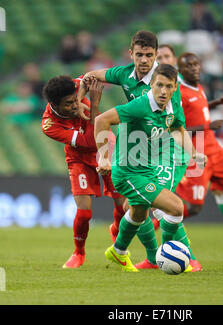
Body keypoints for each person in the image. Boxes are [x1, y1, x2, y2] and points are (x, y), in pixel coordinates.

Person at [80, 31, 202, 271]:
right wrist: (103, 157)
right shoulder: (139, 100)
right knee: (174, 207)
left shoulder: (168, 102)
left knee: (136, 210)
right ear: (131, 54)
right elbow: (101, 117)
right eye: (139, 55)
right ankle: (169, 255)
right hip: (129, 166)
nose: (144, 60)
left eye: (149, 55)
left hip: (150, 159)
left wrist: (194, 153)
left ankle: (118, 251)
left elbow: (178, 127)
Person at [156, 44, 223, 246]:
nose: (195, 68)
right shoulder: (177, 92)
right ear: (181, 69)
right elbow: (176, 129)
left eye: (197, 65)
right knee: (195, 208)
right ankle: (152, 222)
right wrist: (208, 125)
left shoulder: (197, 86)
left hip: (215, 149)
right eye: (190, 66)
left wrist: (215, 103)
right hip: (196, 154)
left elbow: (199, 108)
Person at [41, 75, 124, 268]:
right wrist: (94, 104)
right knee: (85, 212)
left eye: (74, 100)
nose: (73, 105)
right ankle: (79, 252)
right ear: (54, 104)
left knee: (122, 206)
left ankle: (116, 235)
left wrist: (81, 96)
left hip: (107, 148)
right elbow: (89, 141)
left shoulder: (74, 88)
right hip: (79, 157)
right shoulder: (50, 125)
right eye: (69, 104)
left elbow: (88, 78)